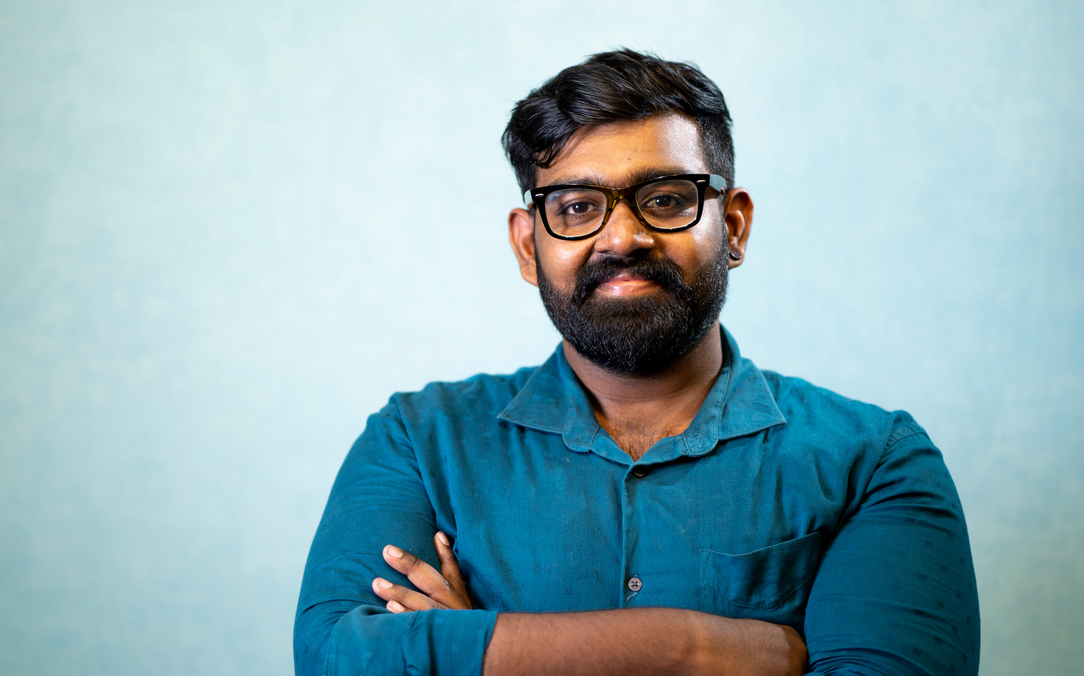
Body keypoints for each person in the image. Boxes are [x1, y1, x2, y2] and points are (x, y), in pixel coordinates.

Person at [294, 49, 980, 676]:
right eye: (576, 206)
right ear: (528, 246)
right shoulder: (417, 441)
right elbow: (337, 658)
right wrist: (699, 648)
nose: (622, 236)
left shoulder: (876, 462)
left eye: (666, 199)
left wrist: (476, 644)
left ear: (733, 227)